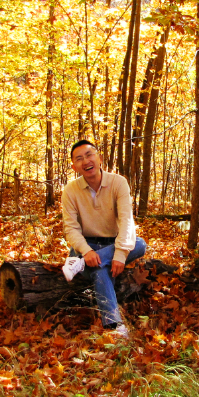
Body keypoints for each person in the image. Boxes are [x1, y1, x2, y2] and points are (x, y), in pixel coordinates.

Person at [61, 139, 147, 337]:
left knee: (140, 244)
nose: (86, 161)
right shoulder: (70, 190)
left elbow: (126, 220)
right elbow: (71, 228)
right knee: (100, 269)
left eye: (89, 155)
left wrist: (120, 253)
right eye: (79, 159)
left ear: (99, 158)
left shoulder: (118, 183)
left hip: (113, 243)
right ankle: (114, 326)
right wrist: (87, 251)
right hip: (86, 245)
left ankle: (79, 264)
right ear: (74, 166)